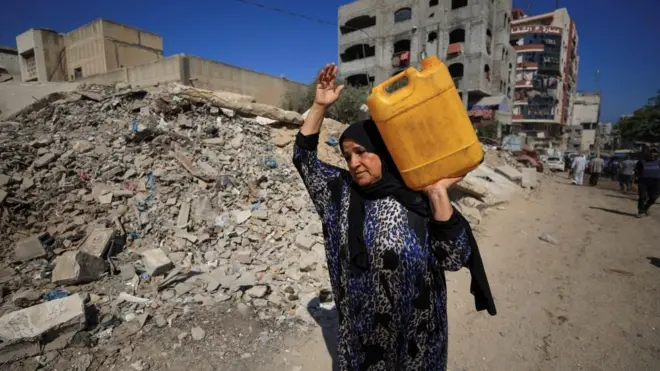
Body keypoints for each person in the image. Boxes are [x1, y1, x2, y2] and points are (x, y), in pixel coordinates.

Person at [292, 64, 495, 371]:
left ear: (383, 152)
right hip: (361, 342)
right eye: (347, 157)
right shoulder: (339, 194)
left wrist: (438, 194)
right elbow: (303, 159)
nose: (354, 163)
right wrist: (319, 106)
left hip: (417, 341)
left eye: (361, 152)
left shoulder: (417, 195)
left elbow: (453, 258)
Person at [635, 147, 660, 217]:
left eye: (654, 152)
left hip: (656, 182)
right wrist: (634, 179)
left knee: (653, 198)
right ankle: (640, 211)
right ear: (648, 153)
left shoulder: (659, 161)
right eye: (651, 152)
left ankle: (645, 208)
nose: (653, 153)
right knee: (642, 196)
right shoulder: (641, 161)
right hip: (643, 181)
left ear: (657, 154)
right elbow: (636, 171)